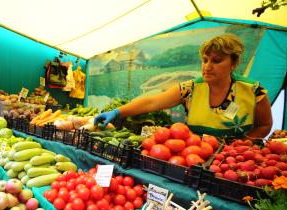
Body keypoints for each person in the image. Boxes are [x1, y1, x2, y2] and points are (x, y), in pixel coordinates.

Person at [94, 34, 273, 139]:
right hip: (194, 158)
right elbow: (151, 102)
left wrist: (244, 144)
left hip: (233, 166)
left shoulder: (253, 91)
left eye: (217, 61)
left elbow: (265, 125)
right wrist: (118, 112)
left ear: (234, 63)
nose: (208, 66)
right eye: (205, 60)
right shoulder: (190, 89)